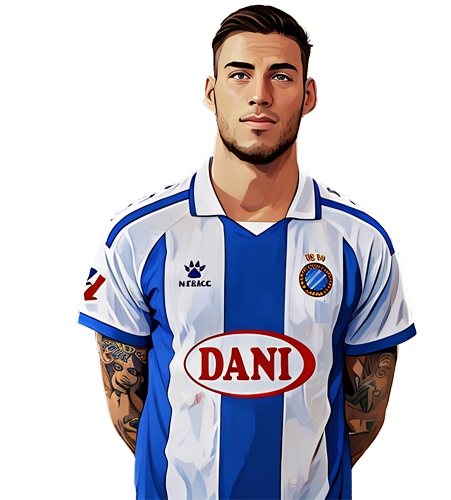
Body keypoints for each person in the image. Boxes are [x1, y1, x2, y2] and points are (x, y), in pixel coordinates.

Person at [76, 5, 417, 499]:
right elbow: (126, 405)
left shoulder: (361, 241)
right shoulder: (137, 234)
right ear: (210, 92)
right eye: (240, 74)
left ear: (309, 95)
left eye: (281, 75)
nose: (260, 95)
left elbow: (365, 412)